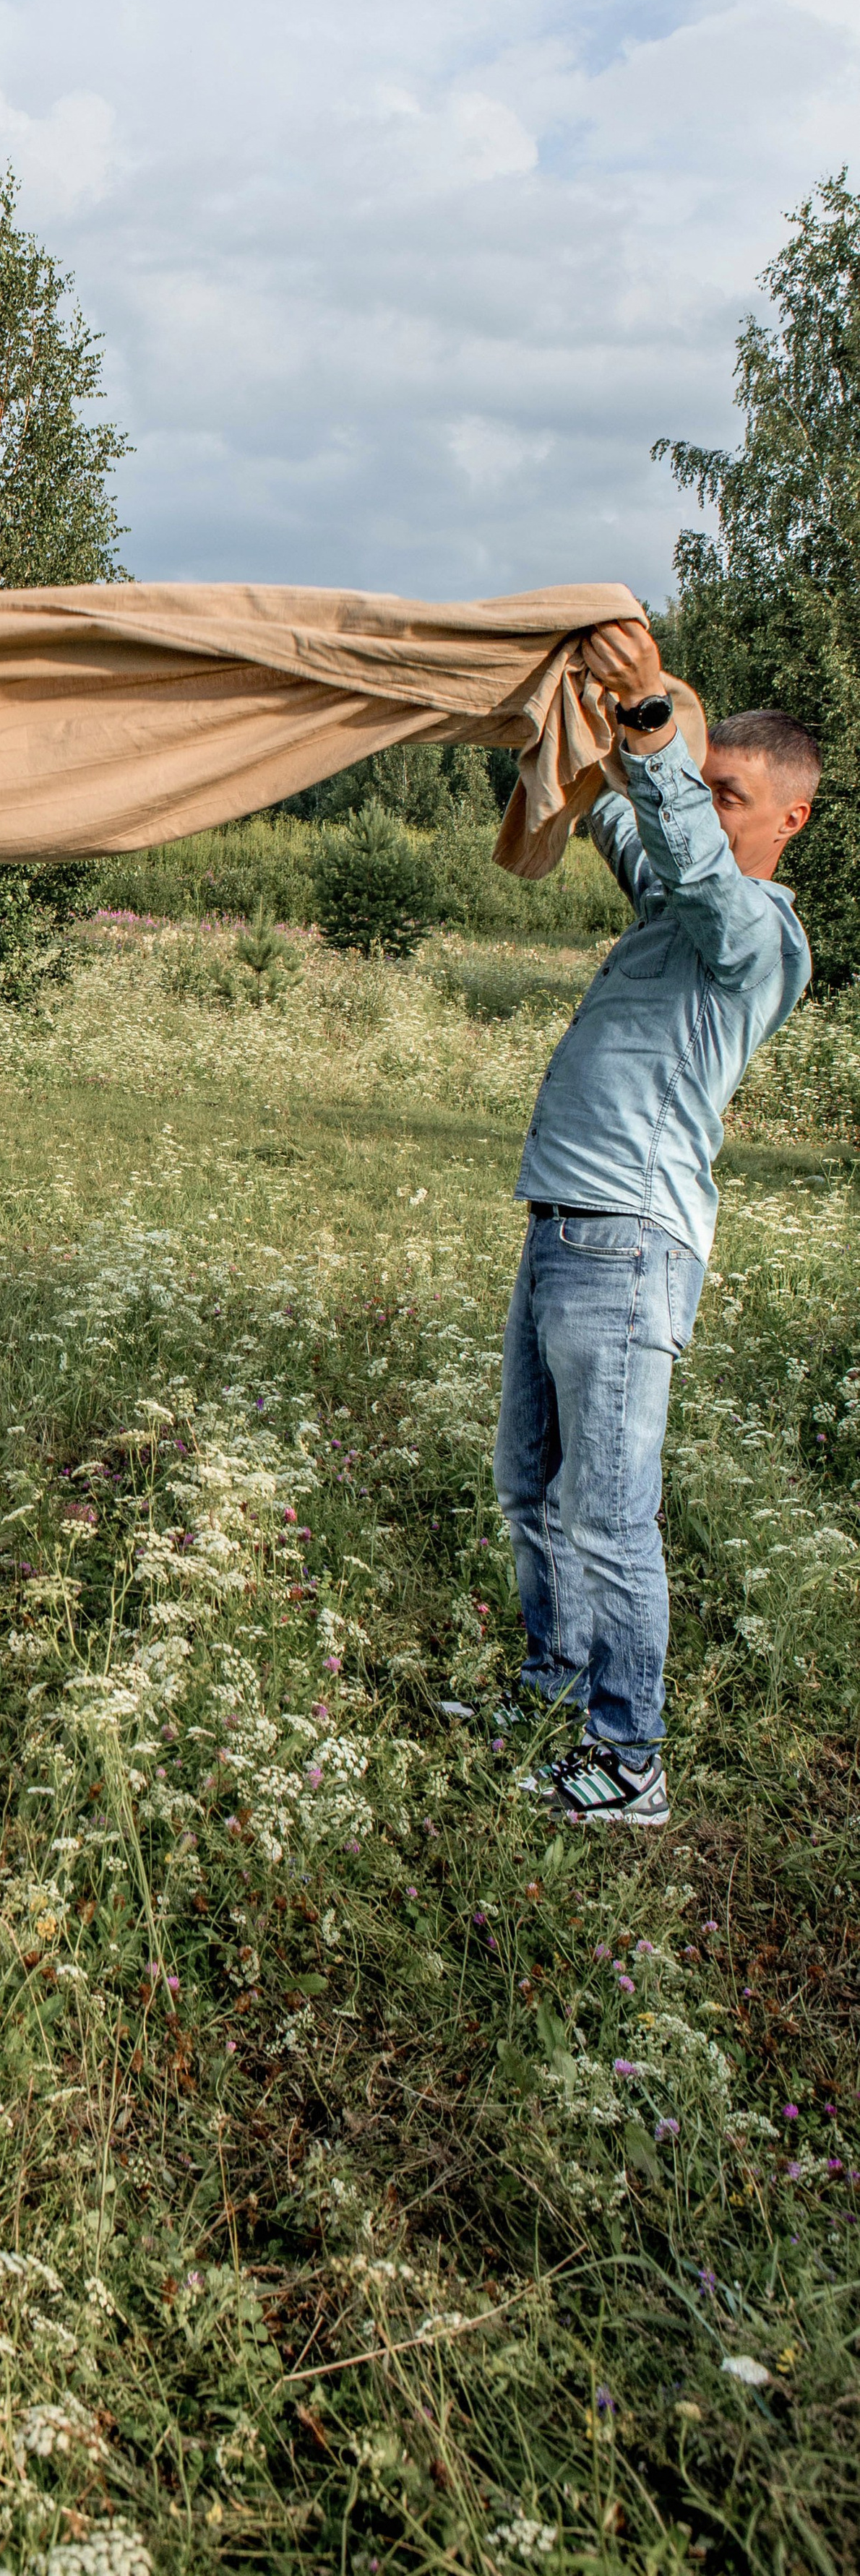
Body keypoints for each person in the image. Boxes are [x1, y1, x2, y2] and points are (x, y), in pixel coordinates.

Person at [492, 618, 820, 1828]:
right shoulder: (676, 912)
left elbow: (685, 853)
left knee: (610, 1511)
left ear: (788, 817)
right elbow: (621, 815)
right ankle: (553, 1687)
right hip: (566, 1222)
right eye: (707, 785)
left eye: (732, 792)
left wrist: (652, 728)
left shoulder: (758, 937)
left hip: (630, 1243)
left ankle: (630, 1758)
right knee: (531, 1486)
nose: (711, 806)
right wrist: (573, 720)